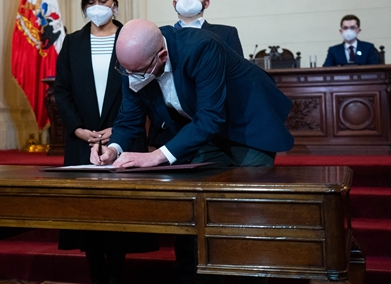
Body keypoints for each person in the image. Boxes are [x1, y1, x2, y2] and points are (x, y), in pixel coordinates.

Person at [91, 19, 294, 284]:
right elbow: (129, 118)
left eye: (139, 71)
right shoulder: (133, 64)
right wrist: (113, 150)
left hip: (247, 121)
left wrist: (156, 156)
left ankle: (252, 275)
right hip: (201, 129)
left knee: (247, 202)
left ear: (161, 55)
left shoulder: (200, 47)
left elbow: (211, 117)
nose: (132, 77)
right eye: (127, 71)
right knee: (195, 198)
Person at [54, 0, 157, 284]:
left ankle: (117, 274)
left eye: (103, 0)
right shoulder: (71, 42)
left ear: (115, 2)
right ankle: (96, 275)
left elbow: (144, 87)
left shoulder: (132, 38)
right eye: (91, 2)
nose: (97, 7)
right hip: (82, 140)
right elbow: (62, 91)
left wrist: (119, 129)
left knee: (119, 215)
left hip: (123, 139)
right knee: (87, 216)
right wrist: (78, 130)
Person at [173, 0, 244, 56]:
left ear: (206, 3)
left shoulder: (226, 33)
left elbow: (239, 67)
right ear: (174, 4)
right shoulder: (163, 36)